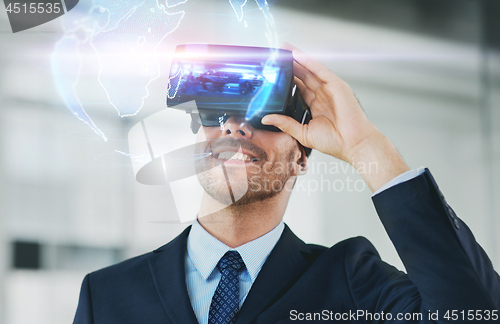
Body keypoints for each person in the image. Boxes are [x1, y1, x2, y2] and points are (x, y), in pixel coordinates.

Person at [73, 43, 500, 324]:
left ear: (301, 156)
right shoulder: (107, 293)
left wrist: (366, 146)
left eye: (265, 117)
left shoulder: (352, 282)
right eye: (217, 113)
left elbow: (474, 313)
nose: (237, 129)